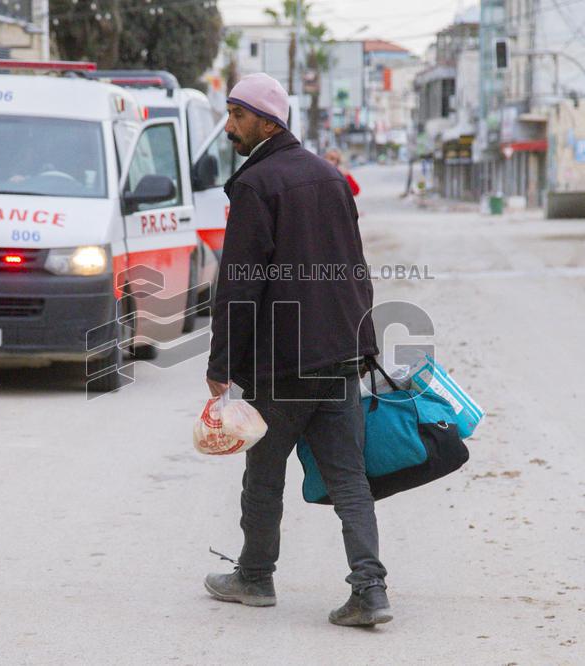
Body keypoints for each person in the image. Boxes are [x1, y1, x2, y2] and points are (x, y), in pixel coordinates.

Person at [204, 73, 390, 627]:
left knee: (264, 475)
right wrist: (362, 343)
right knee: (350, 478)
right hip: (337, 354)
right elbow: (355, 269)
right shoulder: (330, 178)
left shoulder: (257, 185)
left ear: (268, 123)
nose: (229, 126)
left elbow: (238, 284)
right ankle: (370, 590)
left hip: (284, 363)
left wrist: (221, 363)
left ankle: (255, 578)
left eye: (238, 115)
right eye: (229, 113)